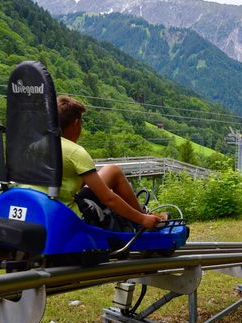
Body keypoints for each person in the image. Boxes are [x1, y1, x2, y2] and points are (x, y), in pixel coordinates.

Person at [54, 95, 164, 229]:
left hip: (39, 210)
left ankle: (143, 216)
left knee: (112, 171)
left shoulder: (35, 145)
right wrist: (141, 219)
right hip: (68, 215)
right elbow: (109, 199)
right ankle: (144, 221)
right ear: (76, 123)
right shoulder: (75, 152)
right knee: (115, 174)